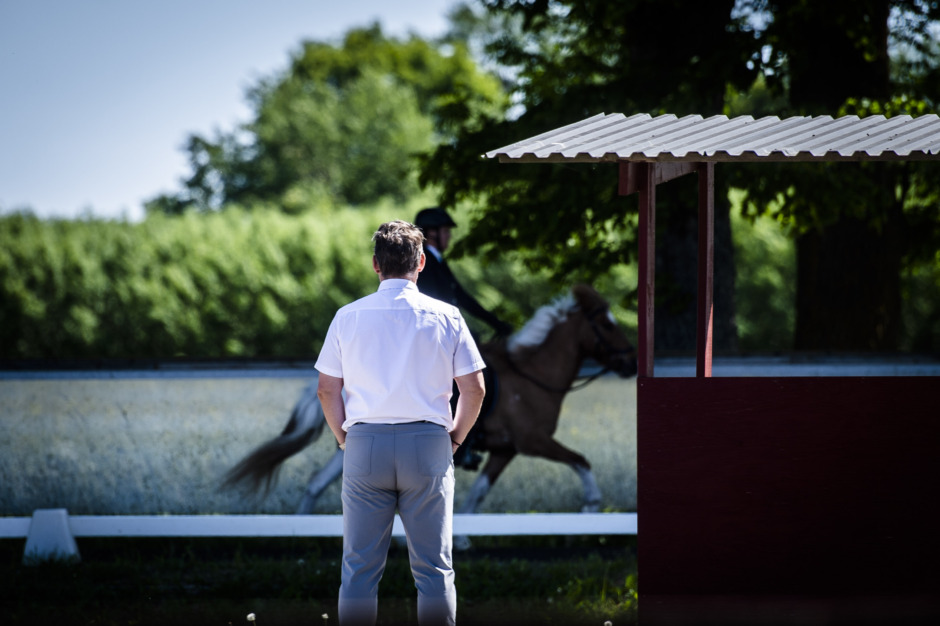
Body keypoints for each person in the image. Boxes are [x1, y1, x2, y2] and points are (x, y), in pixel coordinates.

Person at [315, 220, 486, 626]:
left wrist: (344, 438)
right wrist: (455, 440)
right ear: (422, 262)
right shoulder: (447, 315)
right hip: (429, 444)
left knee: (358, 569)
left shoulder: (347, 316)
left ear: (376, 264)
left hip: (364, 445)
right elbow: (474, 389)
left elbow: (327, 390)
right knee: (434, 569)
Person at [414, 207, 513, 337]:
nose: (449, 236)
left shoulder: (438, 261)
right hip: (436, 332)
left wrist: (496, 323)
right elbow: (431, 301)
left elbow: (463, 298)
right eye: (445, 231)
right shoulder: (425, 263)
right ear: (432, 233)